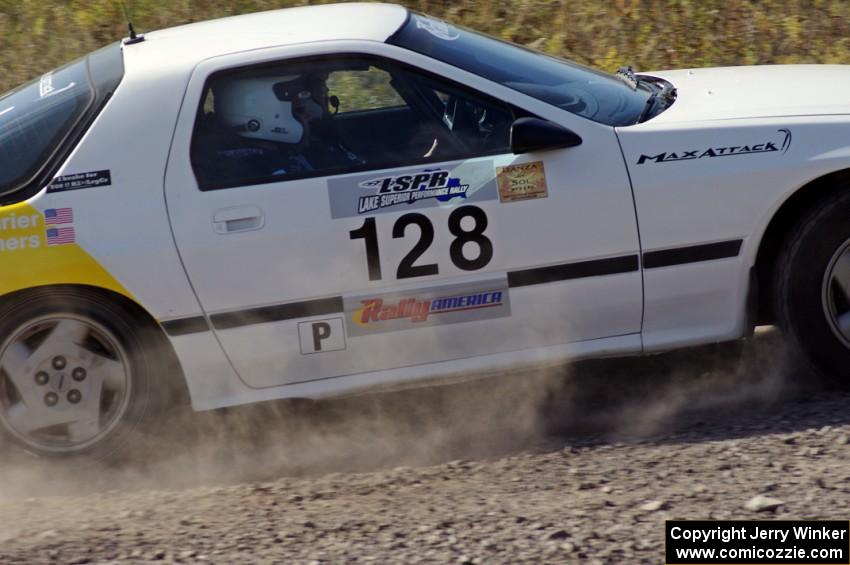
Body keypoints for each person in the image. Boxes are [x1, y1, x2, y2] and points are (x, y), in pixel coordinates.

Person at [193, 72, 361, 187]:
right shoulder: (266, 170)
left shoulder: (274, 157)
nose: (306, 117)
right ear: (258, 116)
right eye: (296, 110)